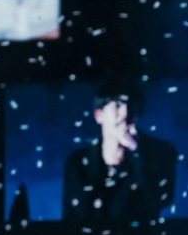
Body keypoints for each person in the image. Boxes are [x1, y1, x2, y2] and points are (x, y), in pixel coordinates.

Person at [63, 81, 178, 227]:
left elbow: (160, 200)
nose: (125, 114)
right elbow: (70, 219)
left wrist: (134, 149)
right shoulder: (77, 162)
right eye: (117, 105)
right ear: (99, 115)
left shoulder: (161, 152)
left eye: (132, 106)